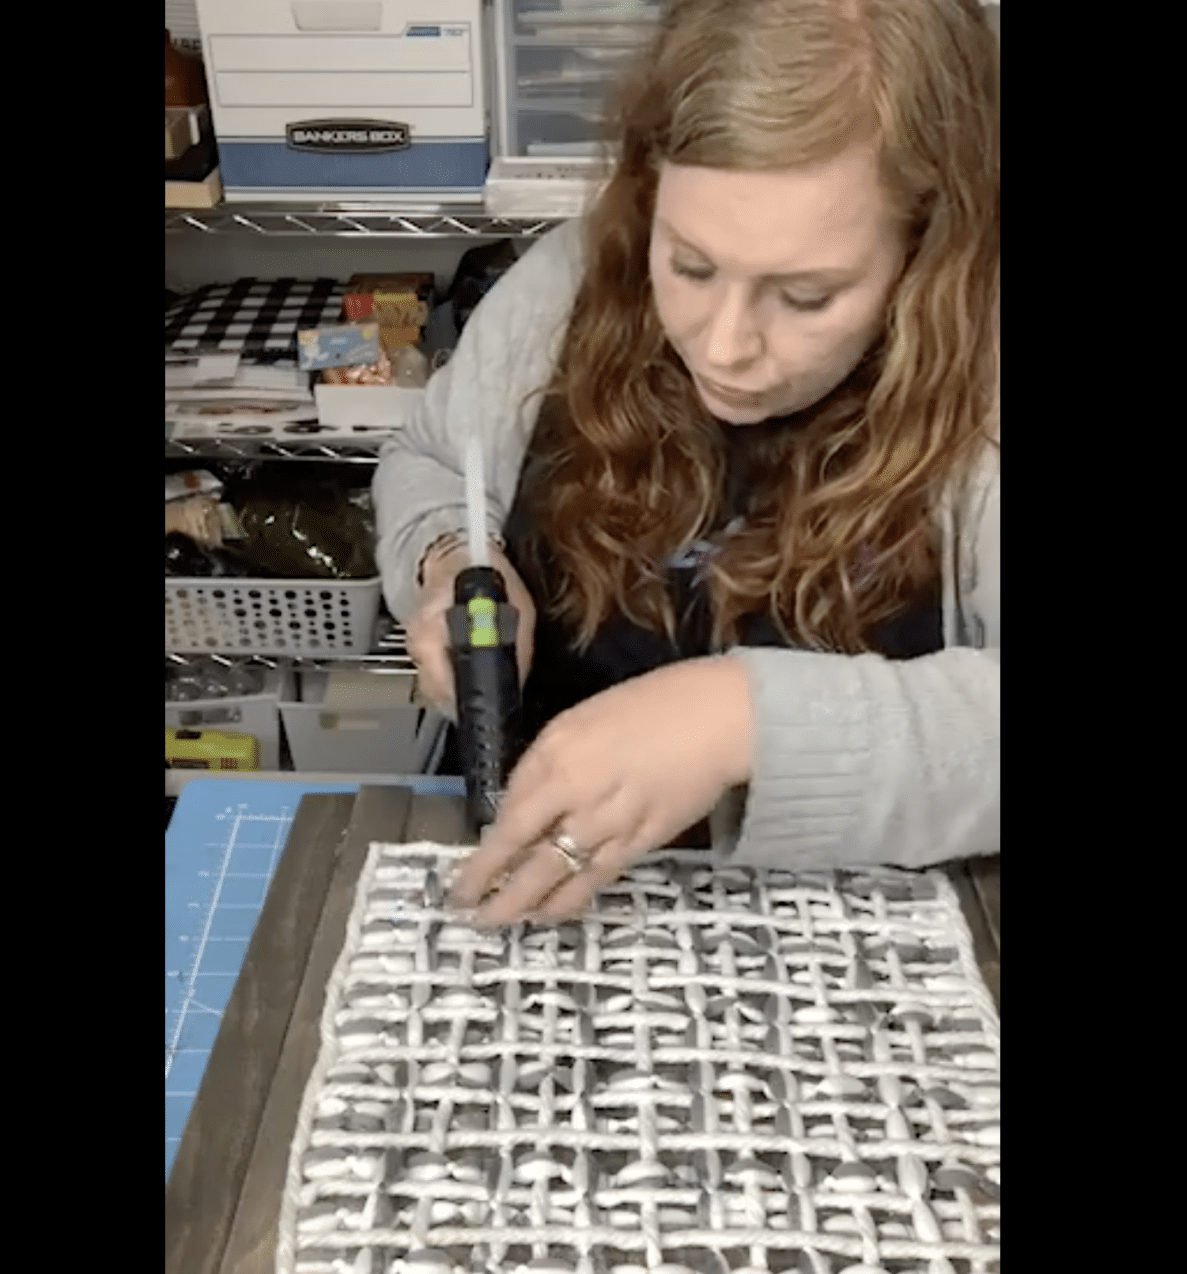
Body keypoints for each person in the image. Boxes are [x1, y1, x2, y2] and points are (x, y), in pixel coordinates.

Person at [373, 0, 1000, 925]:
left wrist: (742, 718)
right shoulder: (563, 287)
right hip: (544, 886)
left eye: (807, 294)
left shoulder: (983, 373)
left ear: (928, 244)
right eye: (692, 266)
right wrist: (446, 560)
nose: (726, 346)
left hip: (853, 926)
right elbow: (429, 456)